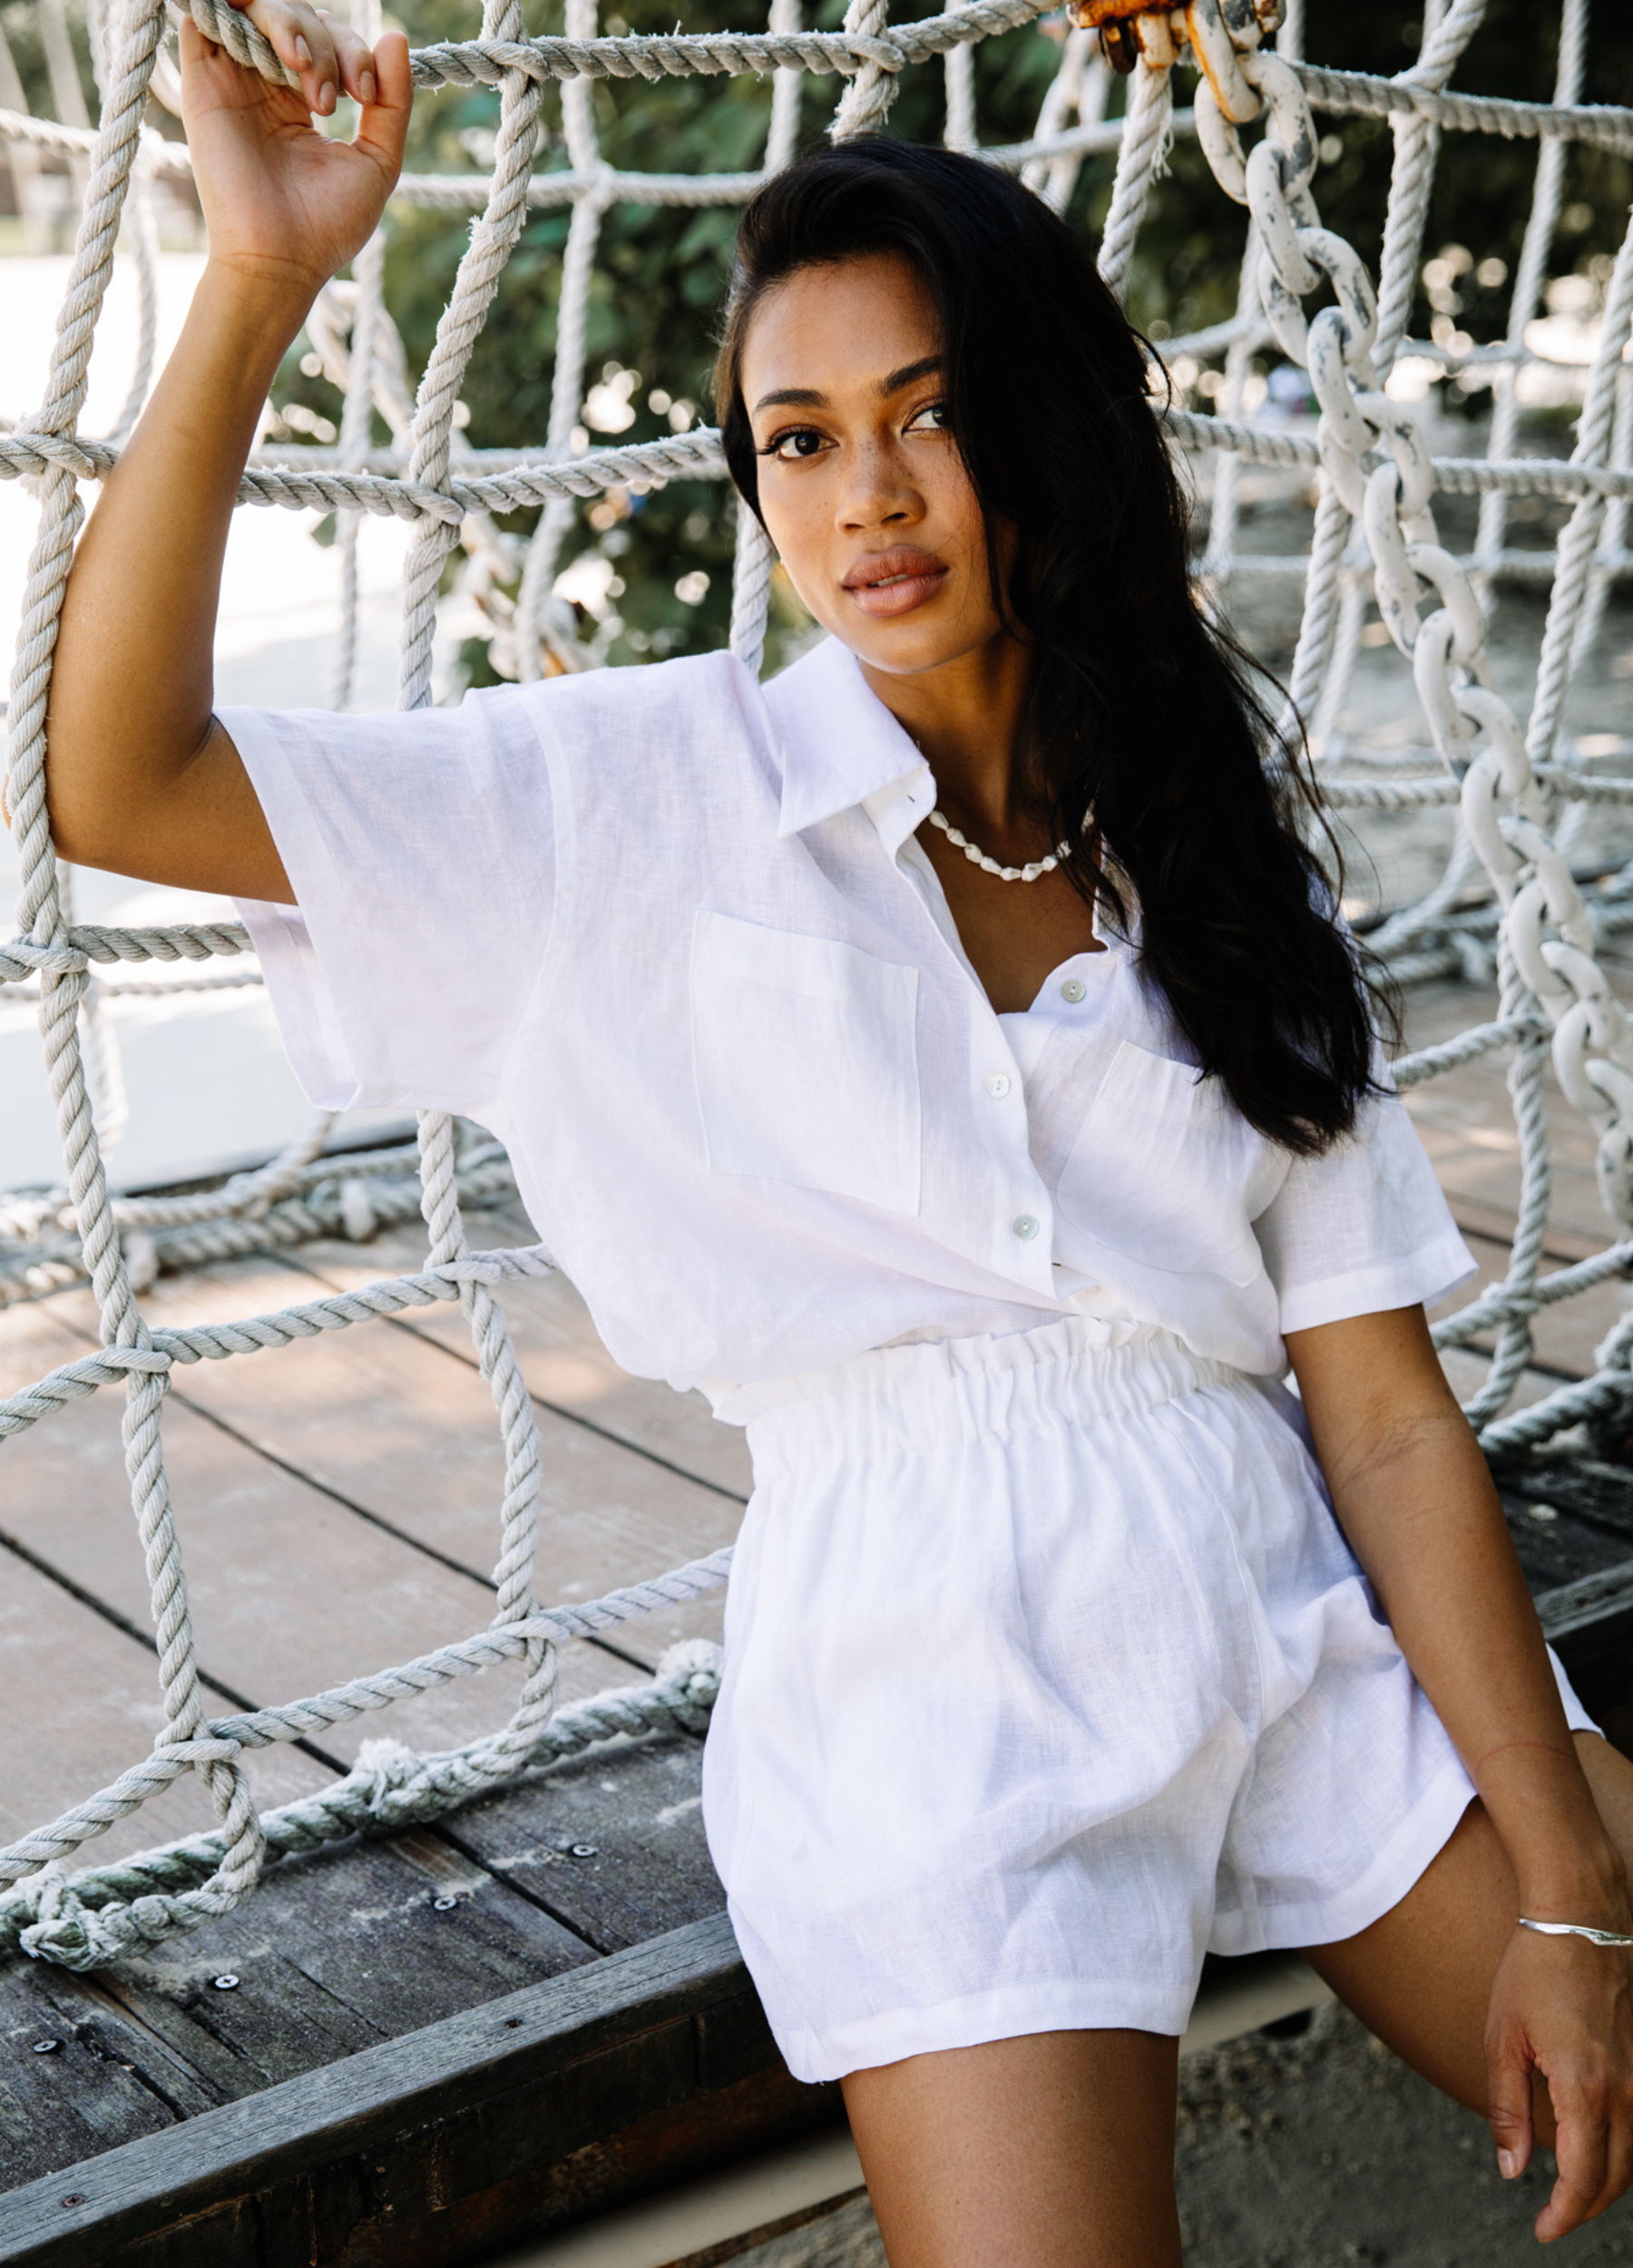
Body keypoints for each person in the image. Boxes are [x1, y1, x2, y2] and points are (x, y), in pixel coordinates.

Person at [34, 8, 1633, 2259]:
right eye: (797, 440)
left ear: (1050, 433)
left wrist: (1570, 1893)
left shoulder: (1205, 837)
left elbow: (1376, 1418)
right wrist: (262, 281)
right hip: (931, 1669)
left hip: (1284, 1588)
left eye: (928, 418)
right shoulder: (627, 795)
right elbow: (126, 782)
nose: (864, 496)